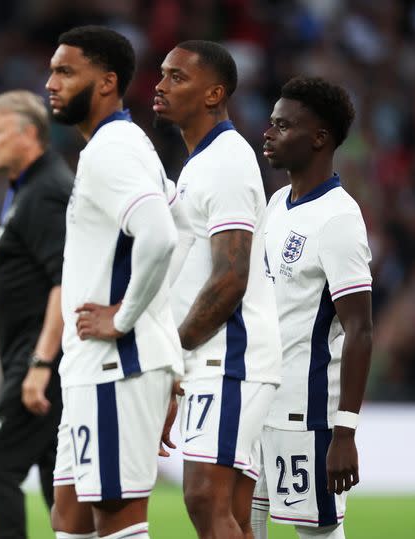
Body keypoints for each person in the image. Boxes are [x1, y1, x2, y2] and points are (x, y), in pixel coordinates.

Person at [46, 25, 183, 539]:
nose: (51, 83)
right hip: (99, 366)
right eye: (51, 72)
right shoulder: (124, 145)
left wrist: (125, 319)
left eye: (65, 71)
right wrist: (167, 352)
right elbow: (180, 232)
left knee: (117, 519)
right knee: (70, 513)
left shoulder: (113, 149)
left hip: (114, 364)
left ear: (106, 82)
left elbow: (162, 236)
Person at [153, 40, 282, 538]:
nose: (160, 85)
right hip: (218, 357)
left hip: (233, 355)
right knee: (229, 507)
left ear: (214, 94)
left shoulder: (227, 161)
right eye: (161, 74)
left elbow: (231, 277)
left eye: (177, 77)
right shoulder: (199, 164)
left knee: (205, 498)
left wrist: (170, 354)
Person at [250, 76, 373, 539]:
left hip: (308, 413)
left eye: (283, 125)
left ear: (319, 138)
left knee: (316, 533)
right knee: (243, 524)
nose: (268, 133)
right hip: (258, 401)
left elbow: (359, 328)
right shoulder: (277, 202)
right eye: (271, 122)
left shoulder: (338, 218)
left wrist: (345, 432)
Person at [0, 90, 73, 539]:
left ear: (30, 134)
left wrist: (40, 363)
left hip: (39, 357)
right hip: (35, 356)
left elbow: (65, 280)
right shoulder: (27, 189)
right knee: (58, 479)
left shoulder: (47, 191)